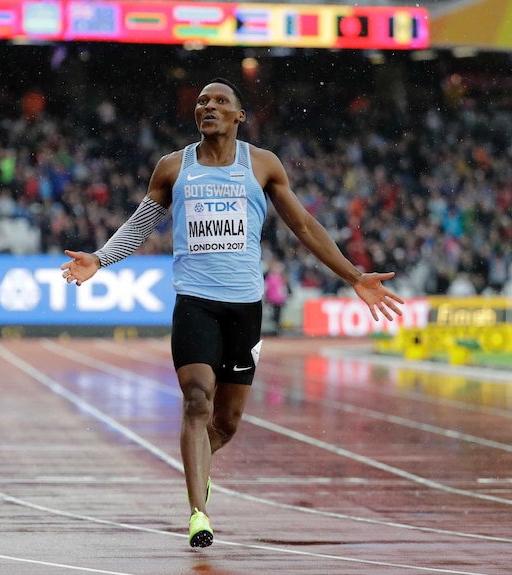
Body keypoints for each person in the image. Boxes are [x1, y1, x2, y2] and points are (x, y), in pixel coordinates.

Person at [61, 78, 404, 548]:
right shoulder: (172, 167)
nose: (209, 106)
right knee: (197, 401)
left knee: (225, 424)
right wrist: (100, 259)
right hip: (195, 303)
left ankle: (197, 462)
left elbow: (302, 224)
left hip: (245, 307)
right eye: (203, 101)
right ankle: (198, 514)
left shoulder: (262, 165)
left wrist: (353, 276)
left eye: (221, 101)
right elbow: (141, 225)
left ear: (239, 116)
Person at [264, 259, 289, 336]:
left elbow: (282, 289)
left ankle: (276, 329)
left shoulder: (279, 277)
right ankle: (275, 329)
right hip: (274, 299)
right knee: (275, 315)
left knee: (277, 315)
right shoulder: (272, 277)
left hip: (278, 299)